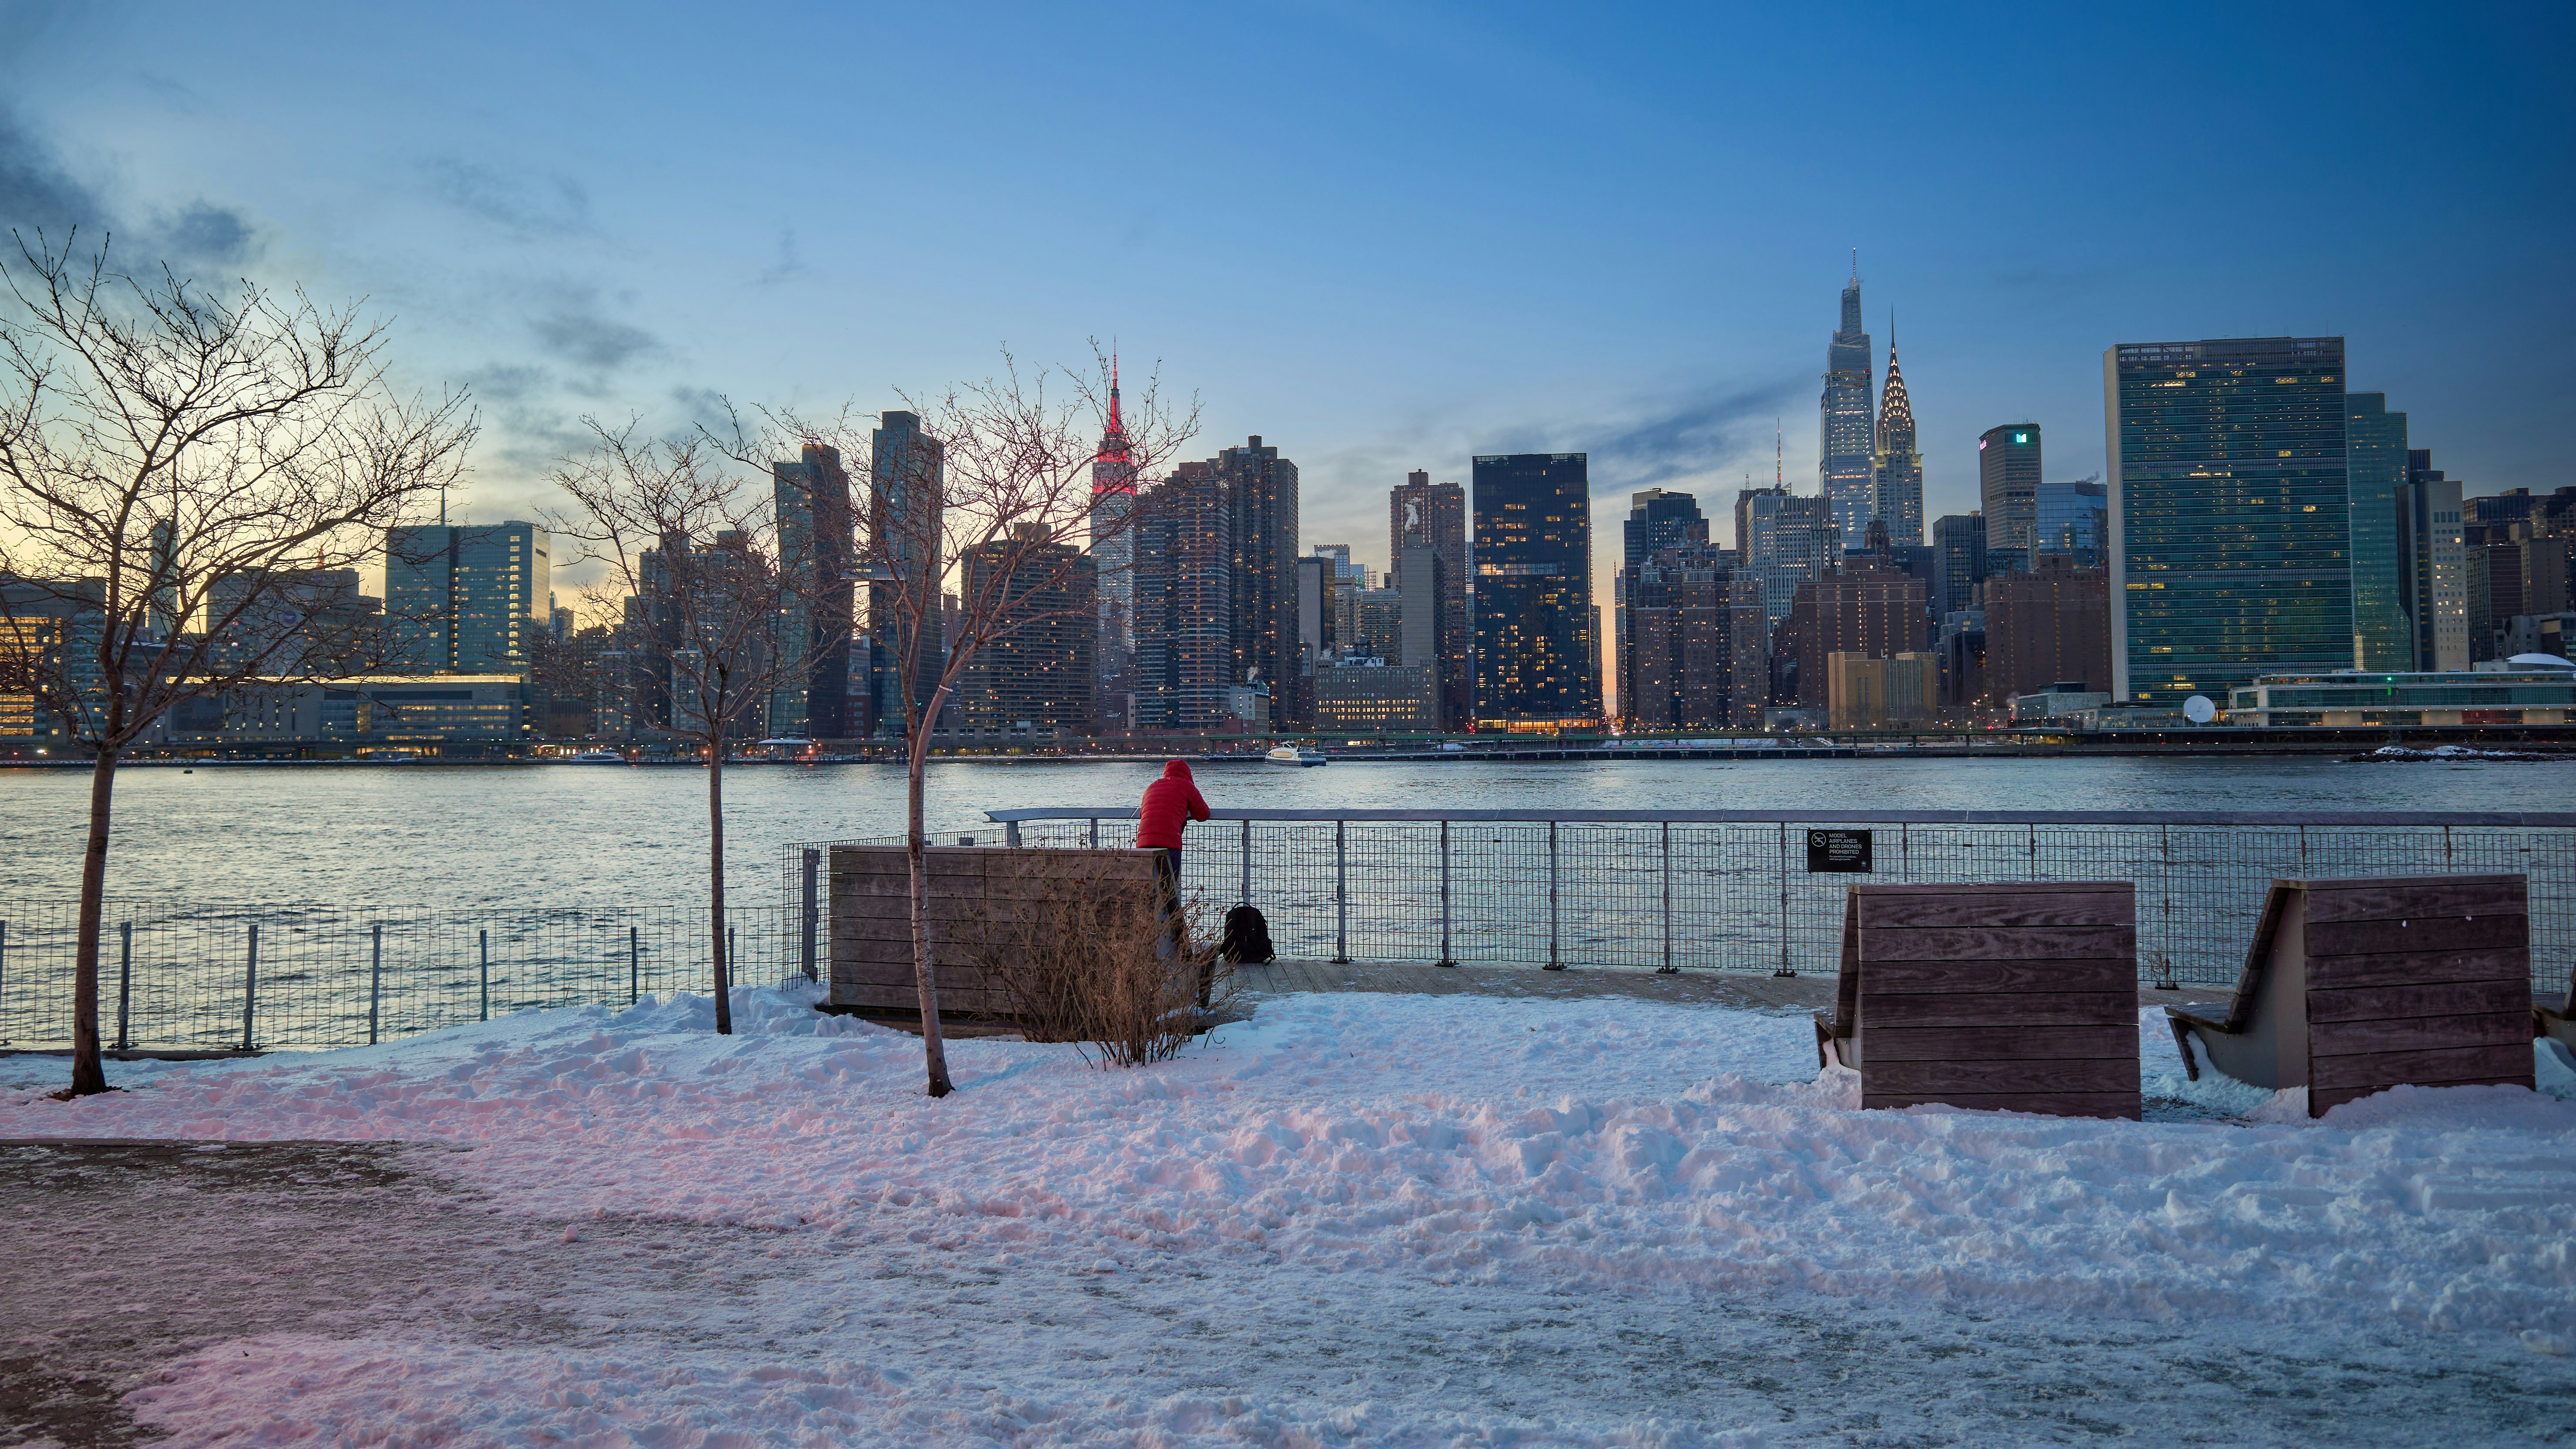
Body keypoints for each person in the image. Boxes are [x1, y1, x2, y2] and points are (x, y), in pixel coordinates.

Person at [1135, 760, 1209, 965]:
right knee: (1171, 896)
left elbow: (1145, 813)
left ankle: (1149, 947)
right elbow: (1203, 814)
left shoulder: (1152, 786)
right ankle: (1180, 953)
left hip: (1144, 845)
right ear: (1188, 775)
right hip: (1169, 844)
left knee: (1150, 896)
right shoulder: (1186, 786)